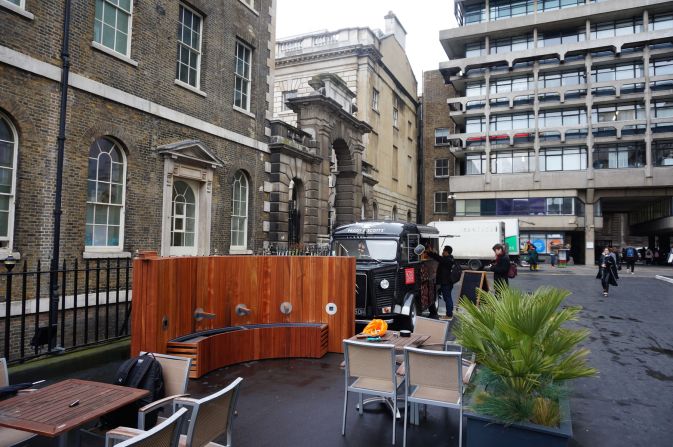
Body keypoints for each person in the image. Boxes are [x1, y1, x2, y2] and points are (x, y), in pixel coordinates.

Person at [426, 245, 456, 319]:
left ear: (446, 252)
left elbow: (438, 258)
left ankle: (449, 315)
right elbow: (439, 258)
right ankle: (449, 314)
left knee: (447, 298)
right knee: (448, 298)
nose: (442, 252)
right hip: (448, 282)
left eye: (443, 251)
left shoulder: (447, 260)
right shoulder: (449, 259)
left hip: (446, 282)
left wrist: (430, 253)